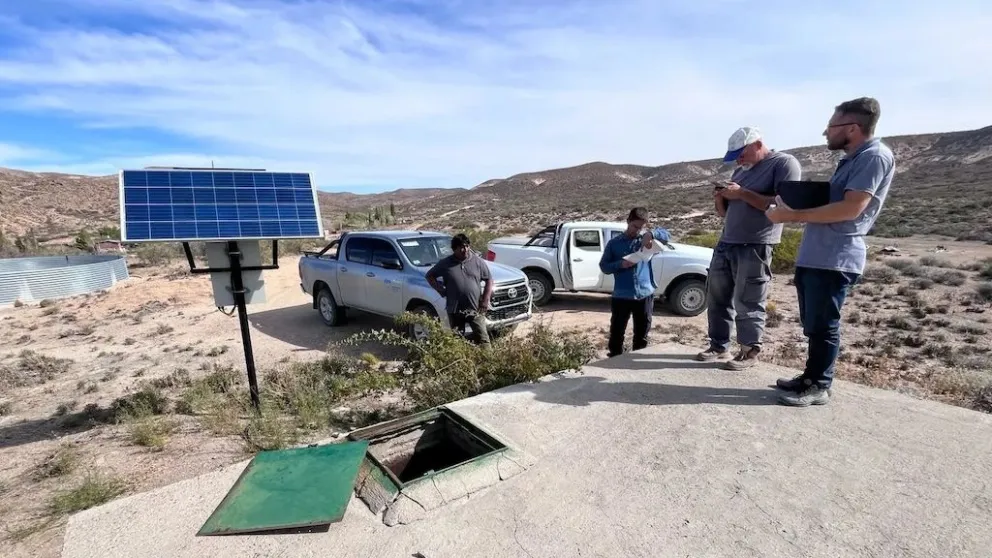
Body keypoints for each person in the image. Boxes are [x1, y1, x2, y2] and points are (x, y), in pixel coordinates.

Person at [766, 97, 894, 407]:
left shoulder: (874, 156)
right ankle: (810, 377)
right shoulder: (852, 158)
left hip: (836, 257)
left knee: (825, 325)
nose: (825, 133)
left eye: (831, 126)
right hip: (818, 254)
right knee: (814, 323)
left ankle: (819, 385)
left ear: (852, 128)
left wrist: (792, 216)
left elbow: (852, 208)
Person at [695, 126, 802, 370]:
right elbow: (724, 213)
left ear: (756, 144)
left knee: (749, 298)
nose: (738, 160)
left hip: (756, 243)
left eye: (740, 154)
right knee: (717, 296)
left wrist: (741, 193)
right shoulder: (741, 171)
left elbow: (784, 205)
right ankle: (719, 345)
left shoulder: (784, 164)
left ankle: (749, 351)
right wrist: (721, 197)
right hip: (727, 242)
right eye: (734, 157)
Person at [599, 207, 671, 358]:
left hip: (644, 294)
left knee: (642, 333)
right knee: (617, 333)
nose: (637, 230)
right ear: (628, 222)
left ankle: (637, 361)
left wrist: (651, 234)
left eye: (641, 227)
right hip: (622, 296)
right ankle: (614, 362)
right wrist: (620, 264)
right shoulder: (614, 244)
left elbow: (666, 234)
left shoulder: (645, 240)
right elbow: (604, 266)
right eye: (634, 226)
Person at [425, 233, 494, 347]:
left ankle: (488, 362)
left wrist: (485, 300)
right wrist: (441, 290)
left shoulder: (478, 262)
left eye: (467, 246)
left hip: (475, 308)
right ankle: (461, 362)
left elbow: (489, 280)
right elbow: (429, 276)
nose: (465, 249)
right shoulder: (445, 264)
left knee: (483, 340)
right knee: (457, 339)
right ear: (454, 249)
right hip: (455, 309)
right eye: (461, 247)